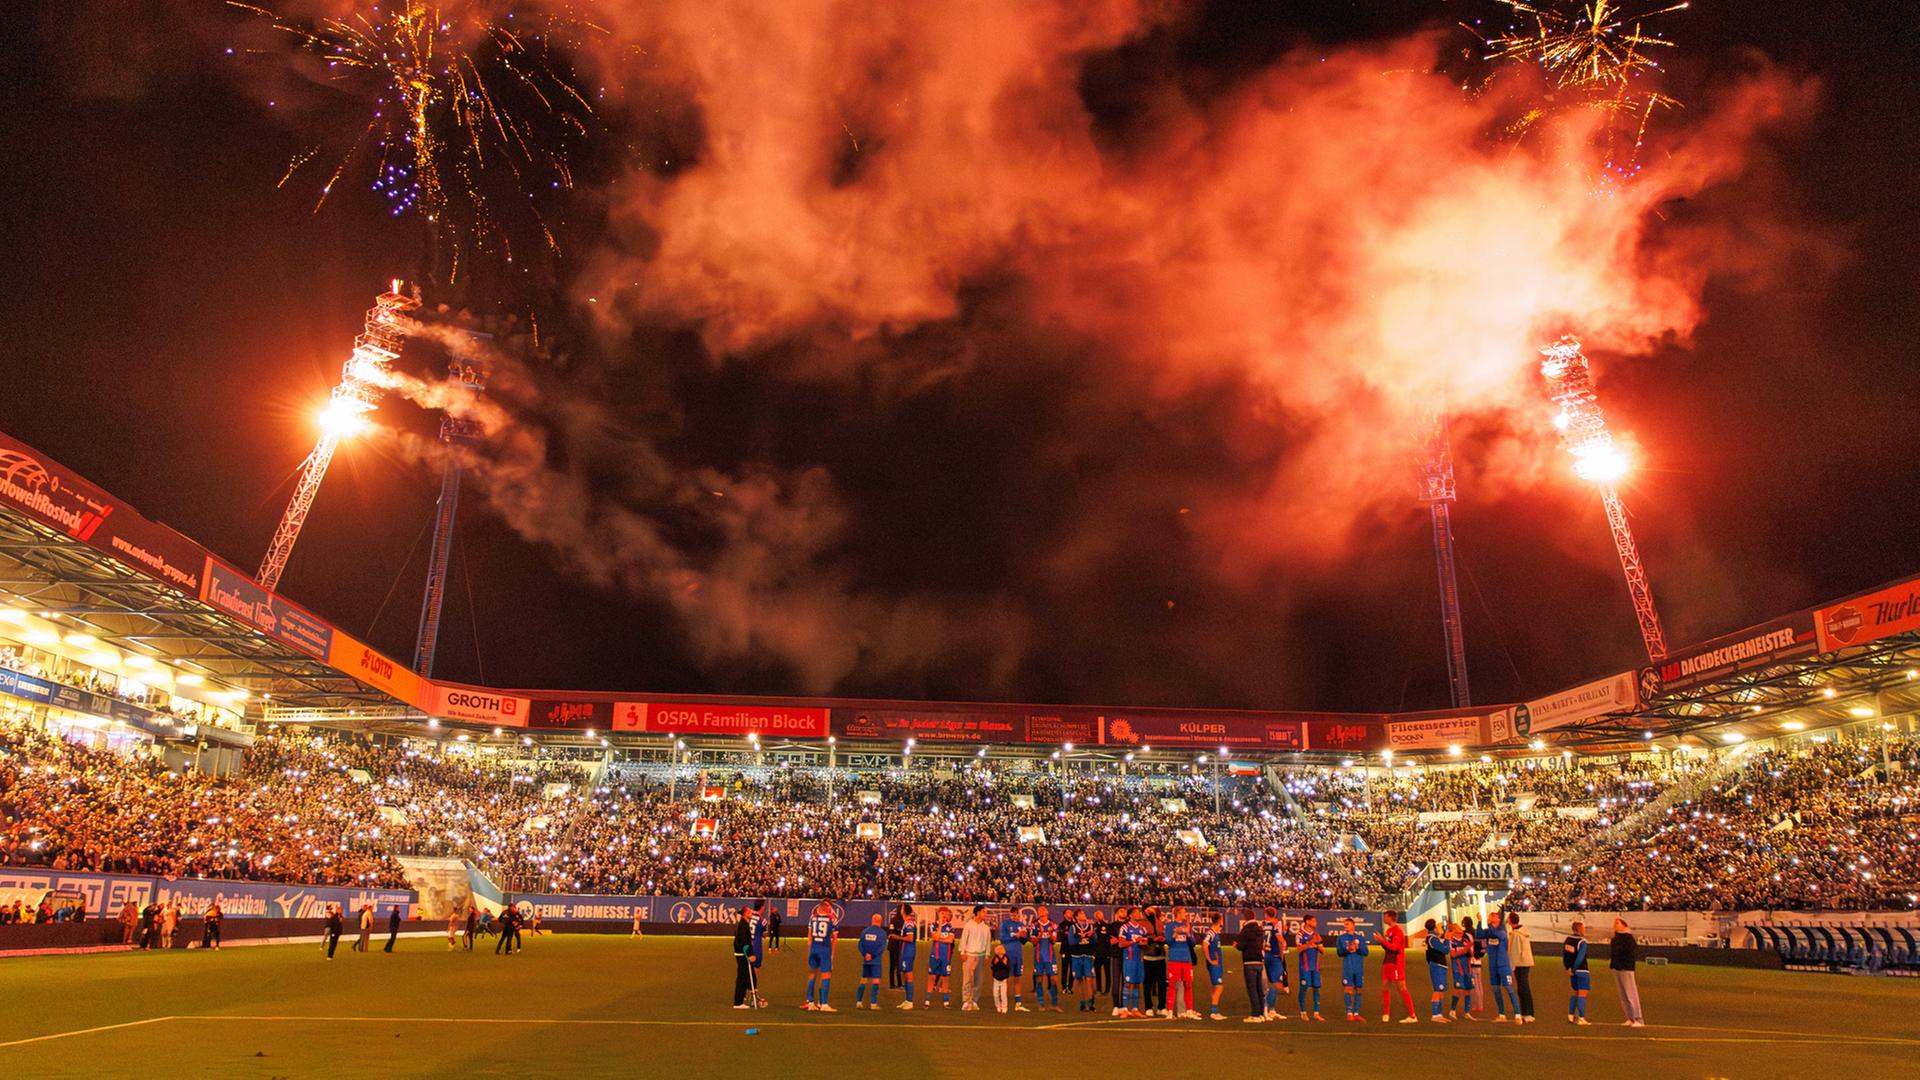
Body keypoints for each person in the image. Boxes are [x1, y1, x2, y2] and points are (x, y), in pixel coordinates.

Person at [1373, 911, 1417, 1023]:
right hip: (1387, 961)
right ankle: (1386, 1013)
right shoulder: (1388, 931)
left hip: (1396, 962)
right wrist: (1382, 942)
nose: (1383, 918)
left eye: (1385, 916)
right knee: (1385, 986)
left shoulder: (1398, 931)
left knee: (1401, 987)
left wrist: (1382, 940)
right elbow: (1387, 947)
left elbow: (1394, 947)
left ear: (1390, 917)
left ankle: (1412, 1016)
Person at [1479, 911, 1515, 1021]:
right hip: (1493, 965)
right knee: (1495, 989)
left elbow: (1497, 934)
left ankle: (1517, 1014)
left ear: (1499, 919)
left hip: (1503, 965)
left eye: (1493, 915)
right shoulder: (1489, 931)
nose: (1491, 917)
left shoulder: (1502, 931)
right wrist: (1480, 923)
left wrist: (1488, 924)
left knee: (1509, 989)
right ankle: (1501, 1014)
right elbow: (1480, 934)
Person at [804, 901, 839, 1012]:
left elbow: (809, 938)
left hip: (814, 949)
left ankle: (810, 1002)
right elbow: (834, 938)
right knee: (826, 975)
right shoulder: (831, 920)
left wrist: (809, 951)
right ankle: (824, 1003)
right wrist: (832, 955)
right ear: (826, 909)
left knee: (812, 975)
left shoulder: (812, 919)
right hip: (824, 950)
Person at [1611, 917, 1645, 1028]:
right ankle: (1630, 1018)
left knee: (1631, 994)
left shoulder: (1628, 938)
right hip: (1617, 967)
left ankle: (1638, 1019)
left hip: (1626, 968)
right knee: (1623, 995)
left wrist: (1623, 963)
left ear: (1624, 925)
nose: (1615, 925)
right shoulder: (1615, 938)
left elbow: (1631, 953)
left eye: (1618, 923)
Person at [1164, 905, 1197, 1019]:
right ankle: (1169, 1011)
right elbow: (1169, 942)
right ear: (1177, 913)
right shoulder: (1169, 926)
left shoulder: (1187, 926)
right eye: (1183, 912)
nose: (1185, 914)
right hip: (1174, 958)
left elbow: (1193, 943)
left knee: (1188, 984)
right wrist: (1175, 934)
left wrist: (1188, 933)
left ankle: (1189, 1010)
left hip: (1186, 959)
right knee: (1172, 985)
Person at [1236, 909, 1267, 1023]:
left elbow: (1241, 945)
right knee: (1259, 989)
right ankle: (1261, 1014)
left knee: (1252, 989)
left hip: (1249, 961)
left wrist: (1236, 945)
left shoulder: (1246, 929)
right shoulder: (1259, 929)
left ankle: (1255, 1014)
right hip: (1259, 960)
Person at [1335, 916, 1369, 1021]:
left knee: (1359, 989)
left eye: (1347, 924)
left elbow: (1366, 952)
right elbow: (1339, 953)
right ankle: (1349, 1012)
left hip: (1358, 967)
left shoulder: (1360, 938)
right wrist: (1347, 950)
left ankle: (1356, 1013)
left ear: (1353, 926)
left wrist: (1357, 948)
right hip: (1348, 967)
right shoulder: (1341, 938)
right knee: (1348, 988)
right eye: (1344, 924)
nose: (1345, 926)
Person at [1117, 907, 1148, 1018]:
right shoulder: (1125, 928)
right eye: (1135, 912)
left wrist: (1144, 943)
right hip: (1129, 959)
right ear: (1130, 915)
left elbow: (1145, 944)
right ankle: (1125, 1009)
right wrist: (1135, 940)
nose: (1138, 914)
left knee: (1136, 983)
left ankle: (1135, 1009)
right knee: (1128, 983)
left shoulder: (1142, 929)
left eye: (1138, 912)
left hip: (1139, 959)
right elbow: (1121, 944)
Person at [959, 907, 991, 1012]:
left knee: (979, 979)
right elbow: (964, 939)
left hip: (981, 955)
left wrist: (987, 955)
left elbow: (988, 942)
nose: (985, 914)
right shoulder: (969, 925)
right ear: (977, 913)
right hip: (969, 954)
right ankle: (966, 1001)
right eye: (983, 912)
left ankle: (975, 1001)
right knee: (967, 979)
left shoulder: (986, 927)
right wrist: (962, 952)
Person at [999, 906, 1030, 1011]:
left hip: (1018, 955)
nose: (1014, 916)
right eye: (1012, 915)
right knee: (1005, 978)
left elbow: (1024, 942)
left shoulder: (1021, 925)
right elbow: (1003, 939)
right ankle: (1003, 1002)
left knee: (1018, 978)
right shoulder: (1005, 924)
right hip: (1007, 954)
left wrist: (1024, 936)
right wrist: (1016, 935)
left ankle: (1018, 1003)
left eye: (1016, 914)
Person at [1261, 907, 1289, 1020]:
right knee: (1276, 983)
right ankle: (1269, 1009)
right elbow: (1281, 940)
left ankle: (1268, 1009)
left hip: (1265, 954)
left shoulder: (1263, 925)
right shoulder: (1275, 925)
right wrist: (1282, 954)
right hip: (1274, 956)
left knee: (1266, 984)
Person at [855, 913, 889, 1010]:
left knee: (863, 980)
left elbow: (860, 945)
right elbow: (882, 948)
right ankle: (873, 1003)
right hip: (876, 961)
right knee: (876, 980)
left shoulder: (865, 931)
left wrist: (866, 954)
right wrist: (872, 955)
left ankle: (859, 1001)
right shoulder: (882, 933)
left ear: (872, 920)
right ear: (880, 921)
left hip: (866, 960)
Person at [1032, 905, 1061, 1012]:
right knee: (1039, 979)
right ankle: (1041, 1003)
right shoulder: (1034, 925)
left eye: (1043, 909)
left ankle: (1054, 1003)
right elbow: (1033, 941)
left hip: (1050, 957)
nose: (1041, 911)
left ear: (1047, 912)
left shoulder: (1052, 925)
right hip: (1038, 957)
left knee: (1054, 979)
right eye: (1039, 910)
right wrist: (1039, 935)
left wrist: (1048, 934)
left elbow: (1054, 940)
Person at [1296, 915, 1325, 1021]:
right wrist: (1309, 944)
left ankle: (1316, 1013)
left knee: (1316, 988)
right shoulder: (1300, 934)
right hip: (1305, 966)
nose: (1315, 922)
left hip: (1315, 966)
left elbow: (1322, 950)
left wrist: (1317, 946)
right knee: (1304, 988)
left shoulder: (1316, 935)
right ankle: (1303, 1012)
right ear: (1307, 922)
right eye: (1313, 920)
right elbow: (1298, 949)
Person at [1421, 918, 1451, 1023]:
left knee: (1440, 990)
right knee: (1438, 990)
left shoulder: (1432, 938)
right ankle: (1435, 1015)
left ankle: (1439, 1014)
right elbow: (1446, 950)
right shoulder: (1432, 938)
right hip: (1437, 966)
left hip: (1439, 966)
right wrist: (1447, 939)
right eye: (1437, 926)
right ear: (1434, 927)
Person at [926, 907, 955, 1009]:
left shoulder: (950, 927)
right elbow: (935, 937)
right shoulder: (933, 925)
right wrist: (939, 929)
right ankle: (927, 1000)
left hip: (946, 956)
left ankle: (946, 1002)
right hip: (935, 955)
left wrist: (939, 939)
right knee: (932, 978)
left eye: (946, 913)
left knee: (946, 978)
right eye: (942, 913)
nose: (944, 915)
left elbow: (950, 940)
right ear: (939, 914)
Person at [1509, 913, 1536, 1023]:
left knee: (1522, 988)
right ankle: (1528, 1012)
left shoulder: (1516, 934)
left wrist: (1511, 967)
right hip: (1526, 962)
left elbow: (1515, 952)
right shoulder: (1523, 932)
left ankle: (1527, 1013)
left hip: (1520, 963)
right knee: (1524, 987)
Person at [1563, 920, 1591, 1024]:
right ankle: (1581, 1018)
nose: (1585, 930)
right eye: (1583, 928)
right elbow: (1580, 957)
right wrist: (1575, 968)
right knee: (1582, 993)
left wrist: (1568, 968)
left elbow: (1565, 956)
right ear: (1579, 929)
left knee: (1575, 992)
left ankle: (1570, 1015)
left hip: (1572, 970)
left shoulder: (1568, 940)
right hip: (1582, 970)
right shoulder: (1582, 941)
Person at [1141, 908, 1168, 1016]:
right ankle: (1148, 1006)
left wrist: (1163, 939)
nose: (1152, 910)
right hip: (1148, 956)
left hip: (1160, 956)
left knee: (1162, 983)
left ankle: (1162, 1006)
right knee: (1148, 983)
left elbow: (1165, 935)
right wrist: (1153, 940)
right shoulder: (1142, 923)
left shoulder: (1159, 922)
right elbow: (1140, 939)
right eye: (1149, 908)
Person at [1448, 920, 1477, 1021]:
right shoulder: (1451, 941)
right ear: (1453, 930)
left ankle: (1467, 1012)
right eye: (1456, 927)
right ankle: (1452, 1010)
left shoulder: (1466, 938)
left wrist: (1469, 950)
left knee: (1468, 989)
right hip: (1458, 967)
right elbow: (1453, 954)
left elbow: (1472, 953)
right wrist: (1465, 949)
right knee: (1459, 989)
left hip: (1467, 967)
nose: (1459, 928)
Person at [1071, 909, 1098, 1012]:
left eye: (1084, 913)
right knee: (1079, 980)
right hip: (1076, 956)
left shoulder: (1090, 926)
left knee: (1089, 979)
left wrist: (1091, 936)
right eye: (1081, 914)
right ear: (1077, 917)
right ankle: (1082, 1003)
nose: (1084, 915)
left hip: (1088, 955)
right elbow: (1071, 941)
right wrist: (1079, 937)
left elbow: (1095, 940)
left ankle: (1091, 1004)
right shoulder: (1073, 927)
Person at [1202, 913, 1229, 1020]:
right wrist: (1210, 960)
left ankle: (1214, 1010)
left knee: (1216, 987)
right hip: (1214, 965)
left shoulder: (1215, 933)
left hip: (1218, 964)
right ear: (1219, 921)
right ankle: (1213, 1012)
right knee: (1219, 987)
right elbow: (1204, 944)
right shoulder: (1211, 933)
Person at [895, 906, 920, 1010]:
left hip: (908, 952)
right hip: (905, 951)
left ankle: (910, 1001)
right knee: (904, 974)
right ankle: (907, 1000)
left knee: (908, 974)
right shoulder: (907, 922)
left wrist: (897, 937)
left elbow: (910, 938)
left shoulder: (909, 923)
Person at [732, 909, 756, 1009]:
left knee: (744, 976)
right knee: (742, 977)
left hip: (742, 953)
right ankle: (738, 1002)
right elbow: (743, 942)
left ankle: (742, 998)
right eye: (750, 912)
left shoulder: (744, 924)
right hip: (742, 954)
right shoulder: (743, 925)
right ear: (746, 913)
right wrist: (749, 955)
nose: (752, 913)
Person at [1091, 910, 1112, 997]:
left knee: (1107, 972)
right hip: (1097, 953)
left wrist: (1109, 952)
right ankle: (1099, 989)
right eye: (1097, 915)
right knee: (1098, 972)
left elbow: (1109, 940)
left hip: (1106, 953)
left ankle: (1107, 990)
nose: (1099, 916)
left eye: (1100, 914)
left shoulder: (1107, 926)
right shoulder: (1094, 927)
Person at [990, 941, 1012, 1013]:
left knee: (1003, 994)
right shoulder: (995, 959)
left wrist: (1005, 964)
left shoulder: (1006, 958)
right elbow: (992, 967)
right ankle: (998, 1006)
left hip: (1003, 979)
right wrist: (995, 964)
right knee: (995, 994)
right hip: (996, 979)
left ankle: (1004, 1007)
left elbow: (1009, 967)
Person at [887, 905, 906, 990]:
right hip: (897, 944)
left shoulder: (893, 920)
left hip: (892, 945)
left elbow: (891, 931)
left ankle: (893, 983)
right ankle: (898, 983)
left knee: (893, 965)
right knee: (897, 964)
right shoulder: (900, 920)